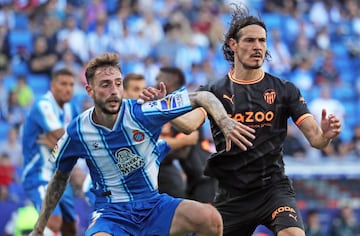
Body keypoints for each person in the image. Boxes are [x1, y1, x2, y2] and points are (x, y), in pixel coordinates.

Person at [139, 3, 342, 236]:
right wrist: (162, 108)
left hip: (272, 189)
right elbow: (189, 125)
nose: (258, 47)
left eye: (262, 41)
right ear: (233, 45)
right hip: (231, 195)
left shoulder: (285, 90)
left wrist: (326, 136)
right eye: (250, 41)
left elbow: (316, 139)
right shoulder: (214, 90)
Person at [31, 52, 255, 236]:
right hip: (111, 213)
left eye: (117, 84)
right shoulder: (77, 131)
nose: (113, 91)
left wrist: (224, 120)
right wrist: (40, 227)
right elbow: (59, 178)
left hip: (152, 205)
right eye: (105, 85)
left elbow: (201, 98)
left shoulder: (143, 111)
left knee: (210, 219)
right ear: (90, 90)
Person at [21, 68, 78, 236]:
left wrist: (56, 143)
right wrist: (62, 141)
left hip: (60, 176)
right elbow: (65, 136)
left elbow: (68, 141)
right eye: (63, 84)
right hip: (39, 174)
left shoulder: (71, 108)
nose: (68, 88)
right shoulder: (43, 104)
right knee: (53, 221)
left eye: (71, 84)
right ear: (53, 85)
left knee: (70, 226)